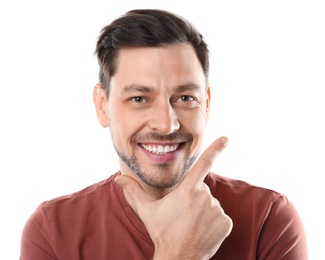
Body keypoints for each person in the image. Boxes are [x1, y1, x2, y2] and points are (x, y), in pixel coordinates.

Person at [20, 9, 308, 259]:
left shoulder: (268, 219)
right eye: (138, 99)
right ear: (102, 106)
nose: (166, 125)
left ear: (206, 104)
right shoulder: (53, 231)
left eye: (184, 98)